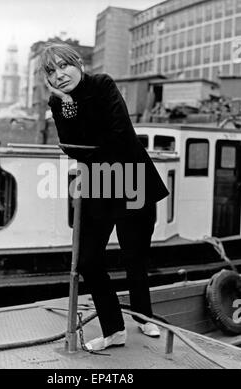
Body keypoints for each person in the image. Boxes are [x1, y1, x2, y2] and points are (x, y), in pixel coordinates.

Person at [40, 43, 169, 351]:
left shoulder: (103, 84)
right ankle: (114, 329)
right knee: (87, 259)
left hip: (133, 179)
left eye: (64, 66)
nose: (59, 76)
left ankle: (143, 316)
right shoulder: (60, 102)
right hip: (100, 184)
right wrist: (68, 104)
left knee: (134, 256)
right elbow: (70, 145)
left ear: (79, 64)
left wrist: (87, 146)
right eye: (51, 71)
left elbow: (119, 134)